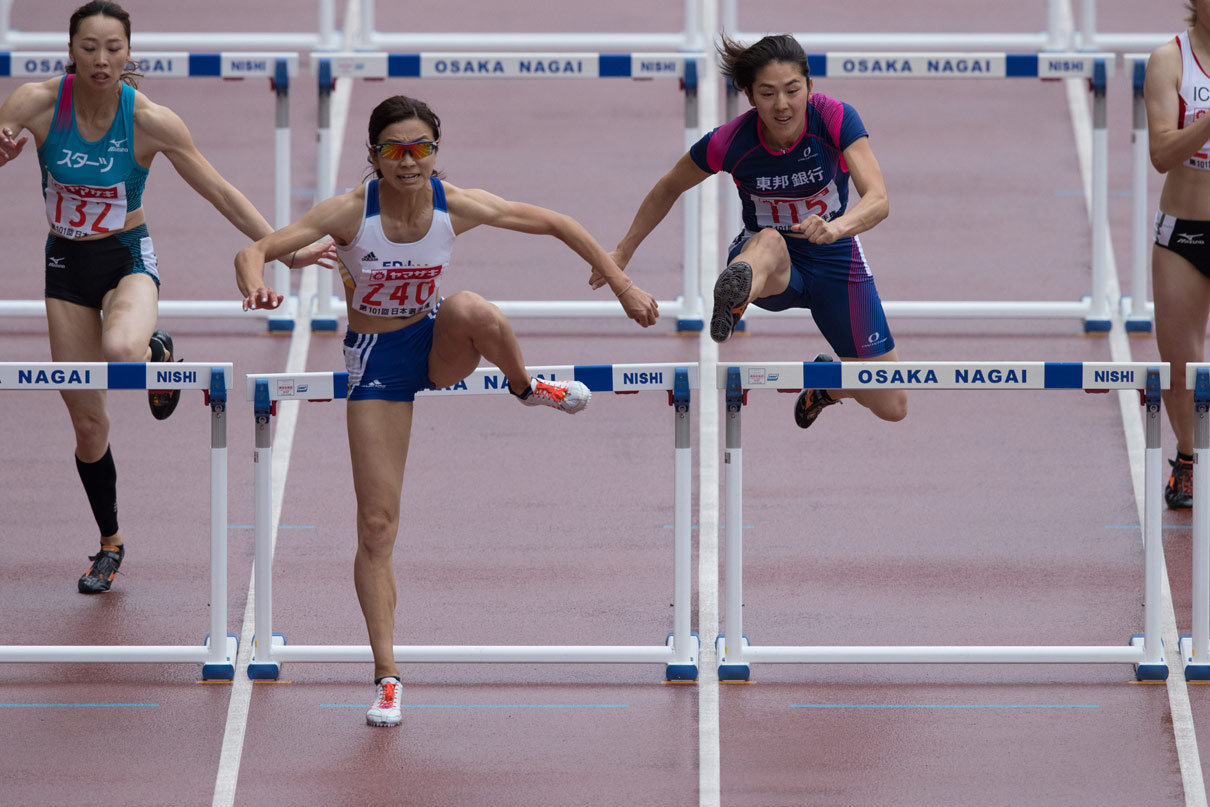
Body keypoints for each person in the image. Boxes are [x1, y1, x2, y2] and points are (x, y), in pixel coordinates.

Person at [234, 94, 659, 727]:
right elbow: (254, 251)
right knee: (377, 527)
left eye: (421, 149)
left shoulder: (453, 202)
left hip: (437, 344)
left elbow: (557, 222)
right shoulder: (350, 212)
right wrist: (257, 287)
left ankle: (524, 387)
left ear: (437, 151)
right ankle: (386, 677)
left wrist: (621, 284)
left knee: (472, 308)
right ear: (373, 155)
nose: (409, 162)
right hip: (376, 360)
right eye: (395, 150)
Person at [0, 1, 329, 594]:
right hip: (64, 264)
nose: (102, 59)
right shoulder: (35, 103)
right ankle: (110, 543)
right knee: (87, 425)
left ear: (130, 53)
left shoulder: (151, 121)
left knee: (121, 348)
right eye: (90, 47)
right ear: (70, 50)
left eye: (113, 48)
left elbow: (221, 192)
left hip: (125, 255)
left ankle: (152, 352)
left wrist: (285, 250)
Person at [605, 33, 907, 428]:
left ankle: (826, 386)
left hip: (836, 257)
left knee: (892, 404)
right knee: (769, 240)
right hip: (771, 264)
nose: (782, 105)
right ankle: (735, 296)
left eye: (792, 90)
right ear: (750, 96)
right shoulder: (730, 142)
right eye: (767, 93)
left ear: (810, 87)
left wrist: (836, 228)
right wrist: (623, 252)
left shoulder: (835, 118)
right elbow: (669, 187)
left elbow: (878, 199)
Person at [1146, 0, 1210, 509]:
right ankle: (1188, 458)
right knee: (1179, 363)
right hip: (1184, 232)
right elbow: (1162, 154)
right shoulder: (1169, 60)